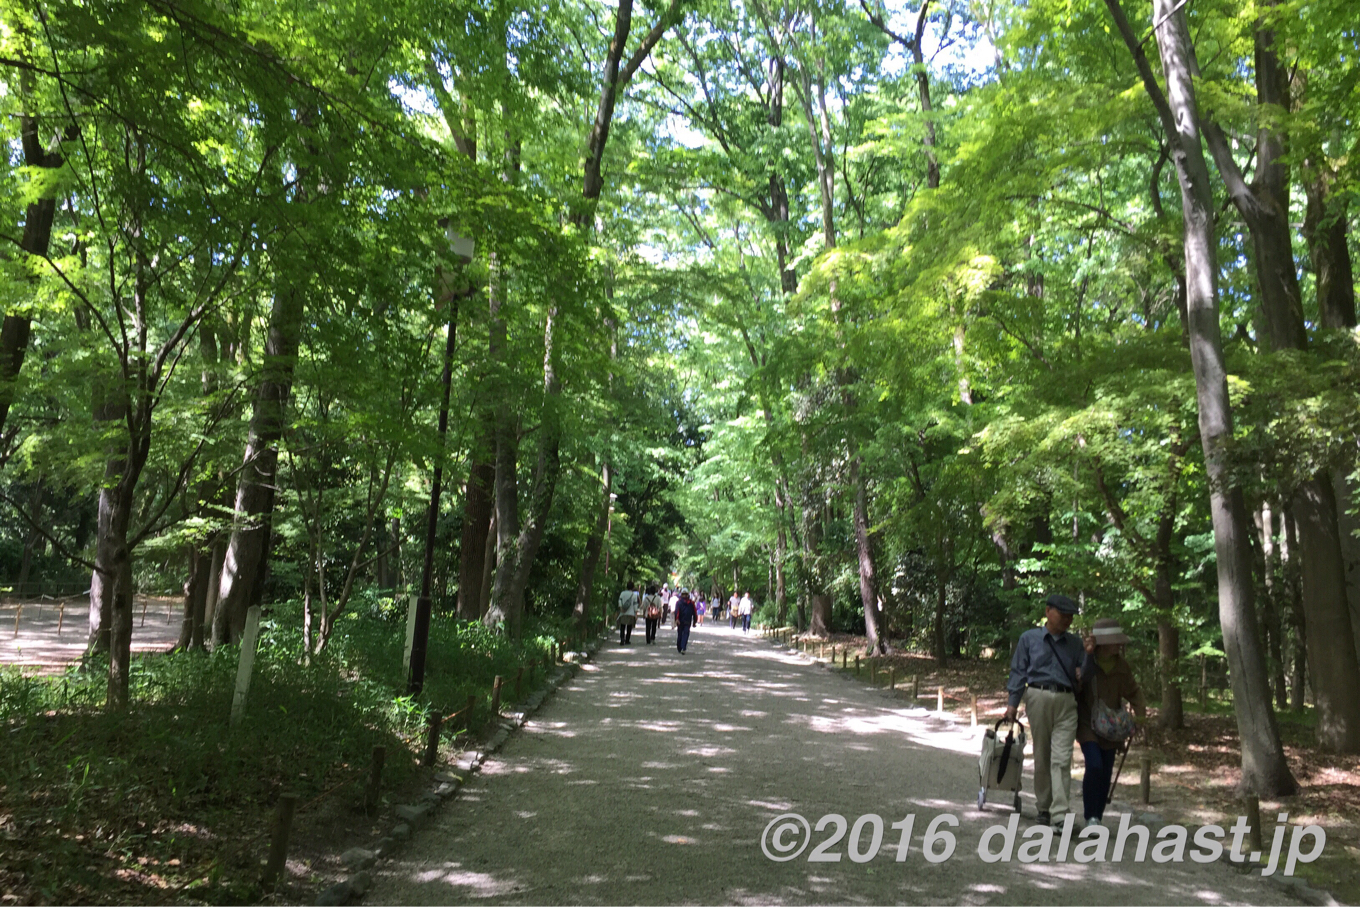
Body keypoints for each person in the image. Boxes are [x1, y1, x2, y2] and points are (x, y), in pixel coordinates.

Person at [1003, 593, 1085, 828]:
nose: (1068, 620)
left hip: (1067, 701)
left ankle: (1060, 815)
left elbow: (1085, 676)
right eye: (1063, 614)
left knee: (1062, 758)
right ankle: (1043, 808)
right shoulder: (1029, 639)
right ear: (1048, 611)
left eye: (1071, 616)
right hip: (1037, 697)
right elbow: (1018, 672)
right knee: (1042, 755)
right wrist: (1012, 704)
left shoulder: (1076, 644)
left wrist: (1088, 658)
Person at [1077, 618, 1146, 828]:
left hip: (1111, 727)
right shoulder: (1087, 661)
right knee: (1095, 766)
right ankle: (1090, 815)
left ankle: (1097, 816)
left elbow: (1134, 691)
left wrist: (1140, 717)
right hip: (1088, 723)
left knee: (1106, 771)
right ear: (1103, 643)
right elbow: (1077, 687)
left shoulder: (1122, 666)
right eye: (1115, 641)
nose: (1118, 645)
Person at [675, 590, 698, 654]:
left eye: (685, 594)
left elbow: (694, 612)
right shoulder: (679, 602)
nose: (684, 596)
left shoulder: (691, 603)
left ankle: (683, 647)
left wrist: (695, 621)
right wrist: (677, 619)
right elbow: (677, 612)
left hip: (687, 621)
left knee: (685, 634)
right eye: (684, 594)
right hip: (681, 621)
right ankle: (680, 647)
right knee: (680, 634)